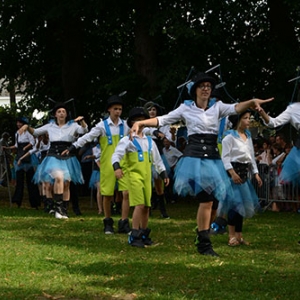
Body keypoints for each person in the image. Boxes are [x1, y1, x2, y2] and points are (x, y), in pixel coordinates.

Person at [131, 71, 273, 256]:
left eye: (208, 86)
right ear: (195, 90)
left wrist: (252, 102)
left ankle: (201, 234)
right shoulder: (185, 108)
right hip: (194, 160)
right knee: (206, 200)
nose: (206, 89)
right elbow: (163, 119)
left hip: (213, 158)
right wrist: (141, 124)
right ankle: (204, 244)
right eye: (202, 86)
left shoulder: (217, 107)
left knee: (213, 203)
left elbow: (236, 108)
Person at [63, 95, 131, 234]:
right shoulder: (102, 126)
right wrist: (73, 147)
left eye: (120, 109)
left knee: (126, 193)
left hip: (124, 163)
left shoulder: (126, 125)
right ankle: (107, 221)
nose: (118, 112)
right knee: (107, 194)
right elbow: (87, 137)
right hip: (107, 164)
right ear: (109, 110)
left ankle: (124, 222)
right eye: (115, 109)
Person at [18, 103, 88, 219]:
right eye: (59, 111)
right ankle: (58, 208)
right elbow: (35, 132)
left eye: (63, 111)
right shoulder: (49, 126)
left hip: (68, 156)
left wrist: (82, 121)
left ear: (66, 114)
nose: (61, 113)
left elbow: (84, 130)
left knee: (66, 183)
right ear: (55, 114)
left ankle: (64, 210)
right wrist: (27, 126)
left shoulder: (73, 126)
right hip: (53, 156)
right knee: (59, 177)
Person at [112, 107, 169, 247]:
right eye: (137, 121)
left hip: (147, 176)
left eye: (143, 121)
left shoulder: (150, 142)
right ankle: (134, 233)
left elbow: (157, 160)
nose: (140, 124)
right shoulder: (127, 140)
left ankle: (144, 232)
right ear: (131, 123)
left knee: (147, 206)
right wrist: (117, 168)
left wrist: (163, 174)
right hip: (134, 176)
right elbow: (116, 155)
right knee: (139, 204)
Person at [219, 110, 262, 246]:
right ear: (238, 121)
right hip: (233, 175)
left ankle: (239, 235)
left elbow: (251, 156)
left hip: (243, 175)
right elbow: (225, 158)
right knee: (234, 205)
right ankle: (231, 235)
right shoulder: (229, 138)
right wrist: (232, 173)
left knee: (242, 206)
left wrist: (255, 173)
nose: (248, 121)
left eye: (249, 118)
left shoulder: (248, 137)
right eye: (245, 118)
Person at [4, 117, 40, 208]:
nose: (18, 124)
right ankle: (17, 200)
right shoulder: (17, 133)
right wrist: (8, 148)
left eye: (20, 123)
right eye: (18, 123)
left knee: (30, 180)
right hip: (20, 155)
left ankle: (34, 202)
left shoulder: (28, 132)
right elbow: (16, 145)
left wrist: (25, 148)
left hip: (28, 156)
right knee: (19, 180)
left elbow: (32, 143)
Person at [144, 101, 172, 218]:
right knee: (147, 184)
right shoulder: (143, 124)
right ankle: (147, 210)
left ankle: (163, 211)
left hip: (158, 155)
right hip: (145, 155)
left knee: (159, 185)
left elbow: (167, 137)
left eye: (154, 109)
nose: (151, 112)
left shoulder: (162, 124)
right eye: (149, 109)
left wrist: (163, 135)